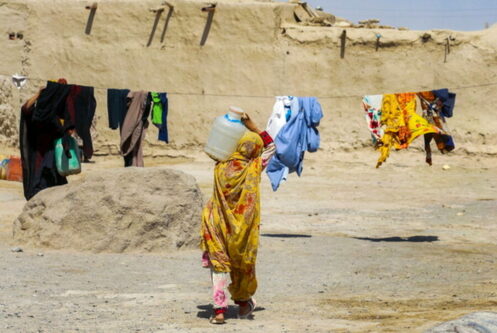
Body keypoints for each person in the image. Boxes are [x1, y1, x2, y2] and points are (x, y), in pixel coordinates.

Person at [200, 112, 275, 324]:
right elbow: (272, 146)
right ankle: (243, 303)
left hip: (216, 221)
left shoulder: (221, 165)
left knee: (219, 263)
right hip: (242, 228)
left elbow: (216, 147)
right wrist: (254, 126)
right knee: (242, 263)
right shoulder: (254, 167)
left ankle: (219, 310)